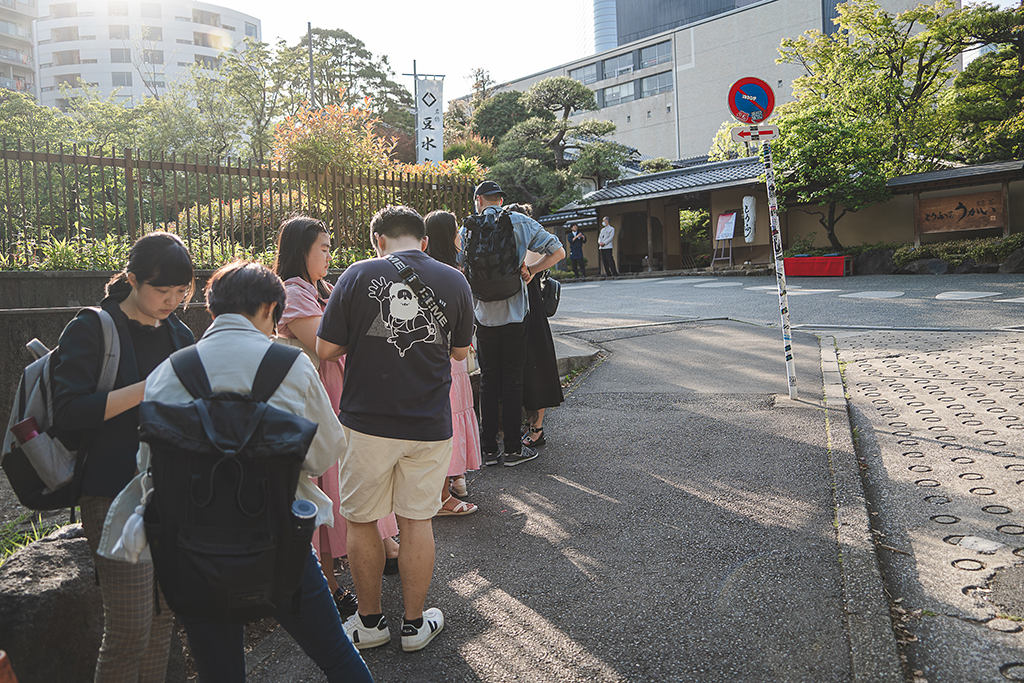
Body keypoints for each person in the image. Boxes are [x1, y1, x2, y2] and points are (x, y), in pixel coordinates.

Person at [138, 261, 373, 683]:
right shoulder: (289, 365)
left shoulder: (170, 371)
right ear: (270, 309)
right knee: (336, 657)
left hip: (192, 550)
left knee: (221, 674)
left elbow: (147, 468)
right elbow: (323, 454)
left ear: (212, 310)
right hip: (279, 541)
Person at [316, 205, 474, 653]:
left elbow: (326, 348)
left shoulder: (356, 275)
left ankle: (369, 625)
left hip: (367, 423)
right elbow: (461, 352)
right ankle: (413, 625)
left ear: (377, 240)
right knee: (416, 518)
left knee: (363, 520)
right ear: (424, 242)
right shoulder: (454, 280)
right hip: (428, 422)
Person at [51, 231, 195, 683]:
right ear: (132, 279)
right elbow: (69, 413)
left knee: (164, 619)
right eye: (161, 290)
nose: (172, 300)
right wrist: (147, 389)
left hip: (170, 488)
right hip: (112, 492)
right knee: (129, 626)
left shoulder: (178, 330)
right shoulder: (93, 327)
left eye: (182, 290)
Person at [273, 216, 401, 616]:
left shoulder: (320, 288)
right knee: (326, 484)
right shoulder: (292, 293)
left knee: (350, 480)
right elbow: (325, 345)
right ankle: (326, 582)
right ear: (301, 251)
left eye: (330, 248)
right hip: (318, 400)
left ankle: (377, 552)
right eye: (323, 249)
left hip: (340, 396)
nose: (330, 255)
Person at [458, 181, 564, 467]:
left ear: (478, 200)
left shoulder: (467, 229)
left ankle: (489, 449)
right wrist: (530, 270)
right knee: (513, 379)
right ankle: (515, 450)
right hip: (516, 313)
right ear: (501, 200)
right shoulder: (519, 221)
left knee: (489, 379)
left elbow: (461, 266)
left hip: (484, 317)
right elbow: (558, 251)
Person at [424, 209, 481, 515]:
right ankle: (447, 489)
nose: (461, 236)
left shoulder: (425, 270)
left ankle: (455, 478)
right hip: (451, 355)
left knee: (451, 413)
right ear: (448, 235)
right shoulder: (451, 273)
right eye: (457, 230)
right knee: (453, 414)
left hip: (436, 354)